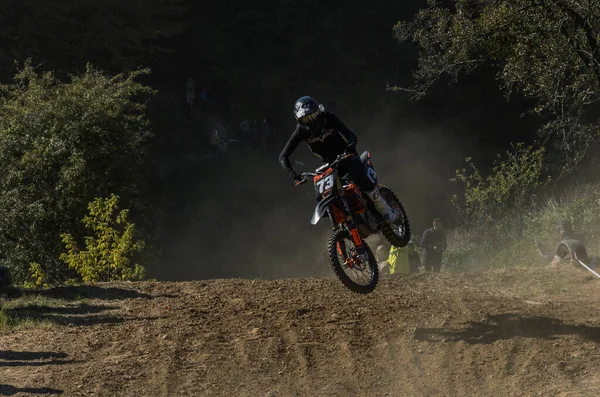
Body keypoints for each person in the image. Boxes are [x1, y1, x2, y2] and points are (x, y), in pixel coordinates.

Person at [278, 96, 397, 222]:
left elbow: (351, 135)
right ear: (299, 120)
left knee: (358, 173)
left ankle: (383, 207)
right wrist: (293, 174)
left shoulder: (328, 117)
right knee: (320, 197)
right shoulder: (300, 131)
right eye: (305, 119)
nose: (310, 121)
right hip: (330, 164)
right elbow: (283, 156)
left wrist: (351, 145)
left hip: (346, 154)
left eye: (312, 116)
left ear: (318, 112)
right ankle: (348, 220)